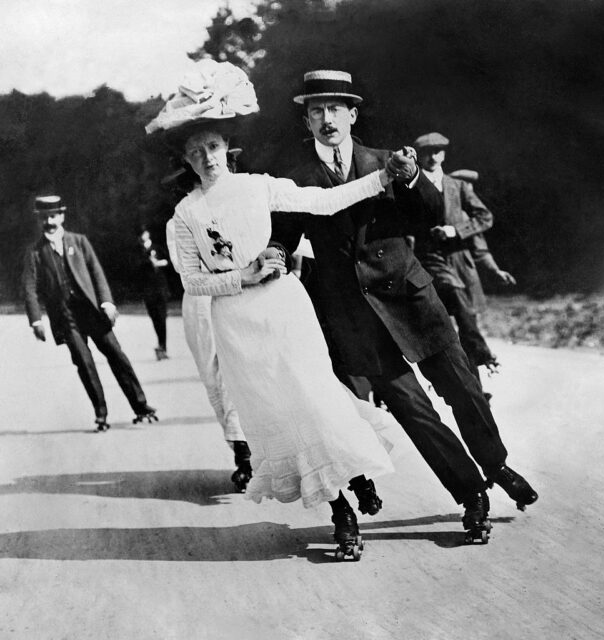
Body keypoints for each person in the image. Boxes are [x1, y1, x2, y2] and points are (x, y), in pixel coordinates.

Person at [145, 59, 409, 559]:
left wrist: (380, 180)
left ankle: (355, 471)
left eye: (214, 147)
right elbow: (191, 281)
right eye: (196, 151)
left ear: (229, 149)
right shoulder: (186, 214)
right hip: (237, 324)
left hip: (284, 309)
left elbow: (324, 202)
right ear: (187, 158)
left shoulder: (258, 186)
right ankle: (340, 513)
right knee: (283, 415)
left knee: (314, 395)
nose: (208, 158)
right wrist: (238, 277)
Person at [270, 70, 538, 542]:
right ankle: (472, 494)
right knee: (416, 413)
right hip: (356, 318)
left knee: (465, 392)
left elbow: (431, 215)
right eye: (316, 111)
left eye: (335, 109)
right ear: (306, 121)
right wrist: (272, 253)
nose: (326, 119)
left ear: (352, 115)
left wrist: (413, 177)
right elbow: (284, 237)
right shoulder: (296, 180)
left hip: (413, 300)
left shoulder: (387, 163)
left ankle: (495, 465)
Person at [23, 195, 158, 431]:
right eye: (44, 217)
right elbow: (29, 287)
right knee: (84, 363)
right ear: (39, 221)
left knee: (116, 355)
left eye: (53, 216)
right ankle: (101, 414)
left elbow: (97, 273)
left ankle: (141, 406)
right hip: (66, 317)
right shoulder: (35, 252)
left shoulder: (79, 241)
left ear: (62, 216)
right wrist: (36, 320)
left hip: (92, 312)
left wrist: (107, 303)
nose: (49, 221)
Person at [411, 134, 514, 387]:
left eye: (438, 152)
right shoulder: (412, 187)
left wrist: (457, 231)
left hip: (461, 265)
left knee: (467, 325)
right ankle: (454, 374)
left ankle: (476, 390)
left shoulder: (458, 186)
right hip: (430, 261)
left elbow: (485, 218)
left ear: (444, 155)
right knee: (443, 323)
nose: (433, 157)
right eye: (427, 152)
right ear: (419, 155)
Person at [166, 196, 252, 494]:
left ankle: (250, 452)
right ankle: (241, 452)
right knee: (214, 376)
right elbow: (185, 267)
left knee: (242, 372)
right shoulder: (177, 223)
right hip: (202, 300)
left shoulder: (237, 210)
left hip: (242, 294)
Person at [137, 227, 170, 360]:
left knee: (162, 317)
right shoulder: (139, 251)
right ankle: (160, 344)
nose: (143, 236)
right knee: (154, 318)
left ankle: (163, 345)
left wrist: (158, 263)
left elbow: (168, 262)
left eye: (144, 233)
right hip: (148, 290)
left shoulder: (157, 248)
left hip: (160, 288)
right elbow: (136, 267)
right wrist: (147, 262)